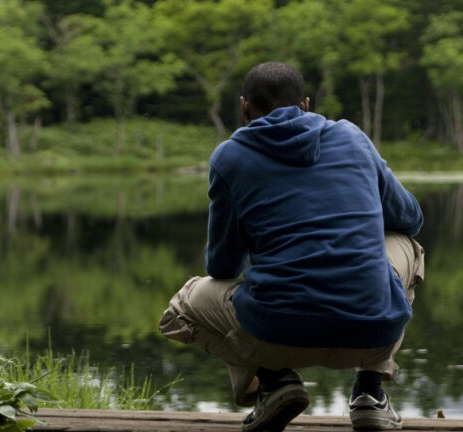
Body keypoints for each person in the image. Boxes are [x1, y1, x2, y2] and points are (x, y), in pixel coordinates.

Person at [160, 61, 425, 432]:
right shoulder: (352, 136)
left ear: (244, 107)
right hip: (373, 335)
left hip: (277, 335)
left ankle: (273, 383)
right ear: (305, 104)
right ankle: (370, 392)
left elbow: (222, 267)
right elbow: (411, 219)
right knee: (407, 245)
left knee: (183, 305)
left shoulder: (229, 157)